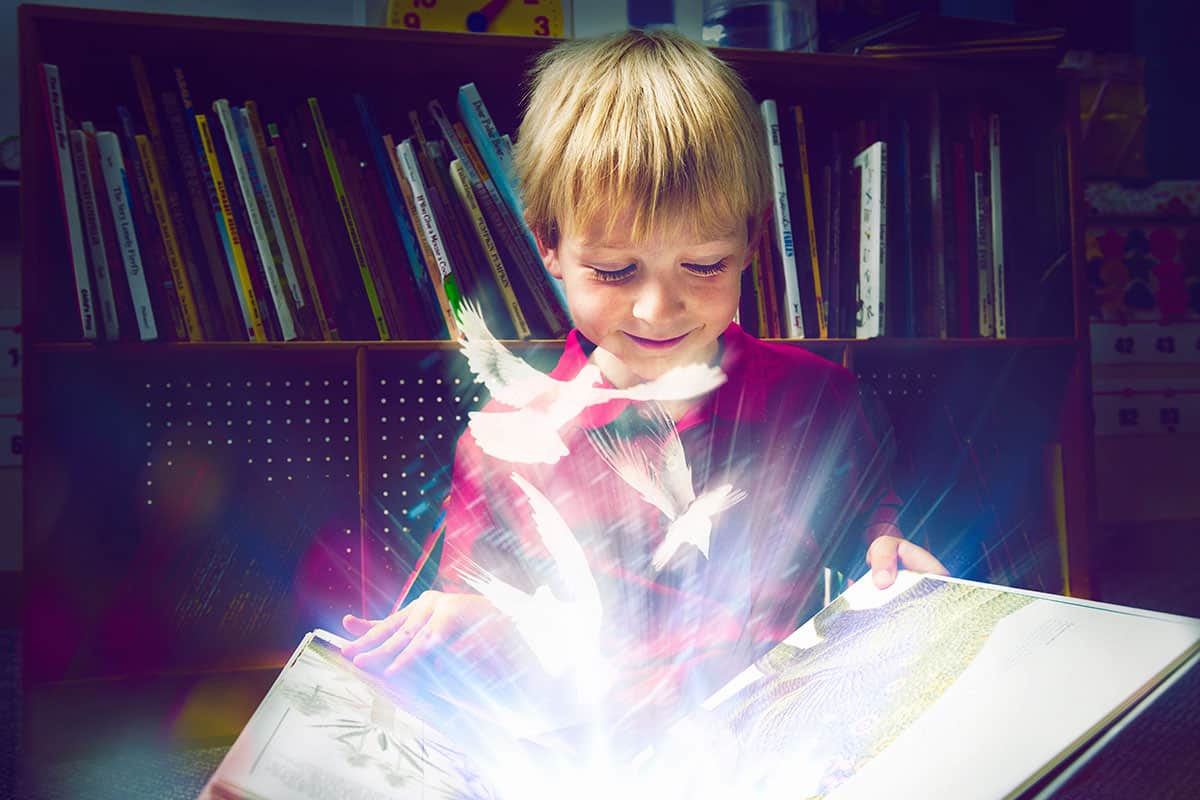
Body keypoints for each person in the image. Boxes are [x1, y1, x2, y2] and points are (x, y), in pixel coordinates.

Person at [342, 28, 946, 740]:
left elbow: (875, 544)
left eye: (703, 266)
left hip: (779, 750)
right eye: (615, 271)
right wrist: (455, 621)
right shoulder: (506, 441)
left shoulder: (824, 403)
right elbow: (490, 620)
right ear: (549, 245)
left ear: (752, 242)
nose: (658, 310)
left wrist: (898, 565)